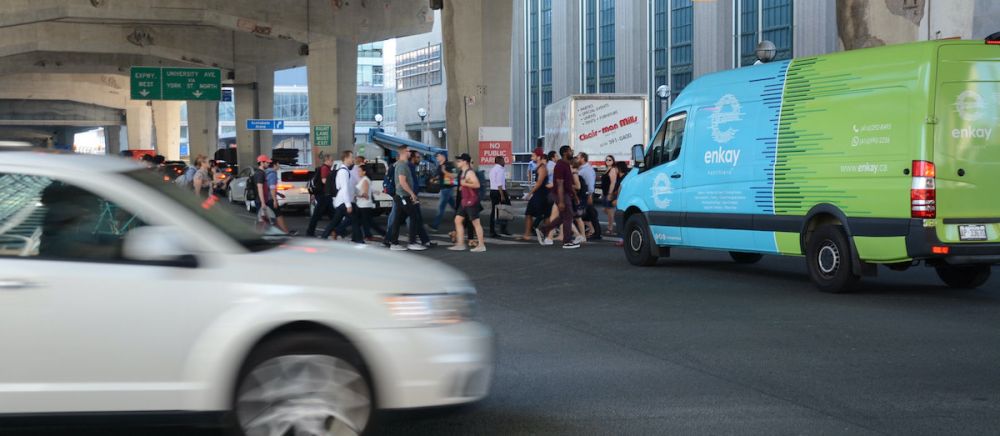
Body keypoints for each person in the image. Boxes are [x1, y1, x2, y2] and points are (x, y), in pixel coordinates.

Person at [384, 145, 429, 251]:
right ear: (404, 152)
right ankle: (411, 242)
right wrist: (412, 194)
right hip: (403, 196)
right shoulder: (402, 165)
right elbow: (402, 182)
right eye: (408, 151)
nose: (410, 152)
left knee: (397, 220)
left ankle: (394, 243)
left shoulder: (402, 164)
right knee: (413, 217)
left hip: (401, 196)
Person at [537, 145, 579, 249]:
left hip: (565, 194)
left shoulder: (566, 164)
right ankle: (567, 241)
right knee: (568, 217)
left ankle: (544, 230)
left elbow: (569, 183)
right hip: (562, 194)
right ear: (565, 153)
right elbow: (560, 183)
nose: (572, 152)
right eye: (570, 151)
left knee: (562, 217)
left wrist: (575, 196)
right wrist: (561, 201)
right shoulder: (560, 165)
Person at [321, 150, 363, 243]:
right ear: (346, 158)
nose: (353, 159)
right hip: (343, 201)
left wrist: (359, 193)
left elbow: (351, 186)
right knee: (355, 220)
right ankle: (359, 240)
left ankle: (324, 237)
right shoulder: (343, 171)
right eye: (351, 157)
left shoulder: (347, 170)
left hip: (342, 201)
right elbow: (344, 189)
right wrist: (348, 205)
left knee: (335, 222)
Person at [449, 153, 487, 252]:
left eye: (459, 161)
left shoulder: (469, 172)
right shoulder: (463, 172)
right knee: (457, 220)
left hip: (471, 200)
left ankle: (481, 245)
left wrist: (464, 183)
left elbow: (477, 185)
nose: (457, 163)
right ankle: (460, 244)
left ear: (465, 162)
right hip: (464, 200)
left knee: (476, 223)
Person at [254, 155, 291, 234]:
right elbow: (261, 188)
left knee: (263, 219)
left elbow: (266, 187)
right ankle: (284, 232)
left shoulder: (264, 172)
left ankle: (261, 235)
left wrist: (278, 194)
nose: (268, 164)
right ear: (261, 162)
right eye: (267, 162)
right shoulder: (261, 173)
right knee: (268, 218)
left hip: (264, 199)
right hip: (263, 200)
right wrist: (264, 202)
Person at [521, 149, 549, 241]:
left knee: (545, 215)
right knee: (529, 213)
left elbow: (539, 183)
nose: (531, 157)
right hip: (538, 194)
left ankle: (547, 235)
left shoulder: (542, 168)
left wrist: (529, 193)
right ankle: (527, 234)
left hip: (541, 194)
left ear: (539, 157)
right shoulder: (538, 166)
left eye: (533, 155)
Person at [305, 154, 335, 237]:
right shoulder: (325, 168)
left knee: (333, 214)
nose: (332, 162)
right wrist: (334, 186)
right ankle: (310, 232)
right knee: (317, 214)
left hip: (324, 194)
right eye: (331, 160)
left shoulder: (325, 168)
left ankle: (339, 230)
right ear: (327, 160)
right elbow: (324, 181)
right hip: (323, 194)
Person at [355, 163, 385, 240]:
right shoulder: (364, 179)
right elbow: (370, 189)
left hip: (364, 205)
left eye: (359, 171)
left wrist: (355, 195)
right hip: (362, 205)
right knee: (365, 222)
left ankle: (384, 234)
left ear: (364, 172)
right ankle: (367, 235)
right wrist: (376, 191)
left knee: (368, 222)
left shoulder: (365, 180)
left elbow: (365, 194)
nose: (358, 173)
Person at [576, 152, 602, 240]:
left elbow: (590, 183)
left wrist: (590, 195)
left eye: (578, 157)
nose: (577, 159)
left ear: (583, 159)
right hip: (584, 194)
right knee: (589, 214)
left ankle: (597, 233)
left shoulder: (587, 170)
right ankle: (594, 232)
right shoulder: (582, 168)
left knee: (592, 214)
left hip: (587, 194)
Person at [431, 152, 456, 231]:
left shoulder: (449, 165)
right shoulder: (440, 165)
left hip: (447, 189)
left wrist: (444, 171)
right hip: (443, 188)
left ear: (443, 156)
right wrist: (434, 179)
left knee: (441, 207)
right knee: (454, 206)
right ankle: (463, 218)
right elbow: (439, 175)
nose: (437, 158)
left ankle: (435, 225)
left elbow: (453, 175)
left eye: (438, 156)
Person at [488, 155, 511, 238]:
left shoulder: (493, 169)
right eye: (503, 160)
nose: (504, 162)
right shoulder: (500, 170)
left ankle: (494, 230)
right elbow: (499, 184)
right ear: (500, 161)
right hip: (499, 191)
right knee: (506, 209)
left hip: (493, 191)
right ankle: (502, 228)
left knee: (495, 211)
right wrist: (502, 195)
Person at [602, 156, 622, 236]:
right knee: (605, 209)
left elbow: (613, 182)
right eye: (606, 159)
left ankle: (610, 228)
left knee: (610, 211)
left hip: (610, 193)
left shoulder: (613, 169)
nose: (608, 161)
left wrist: (610, 194)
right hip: (605, 192)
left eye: (610, 160)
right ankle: (613, 225)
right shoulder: (607, 169)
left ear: (613, 161)